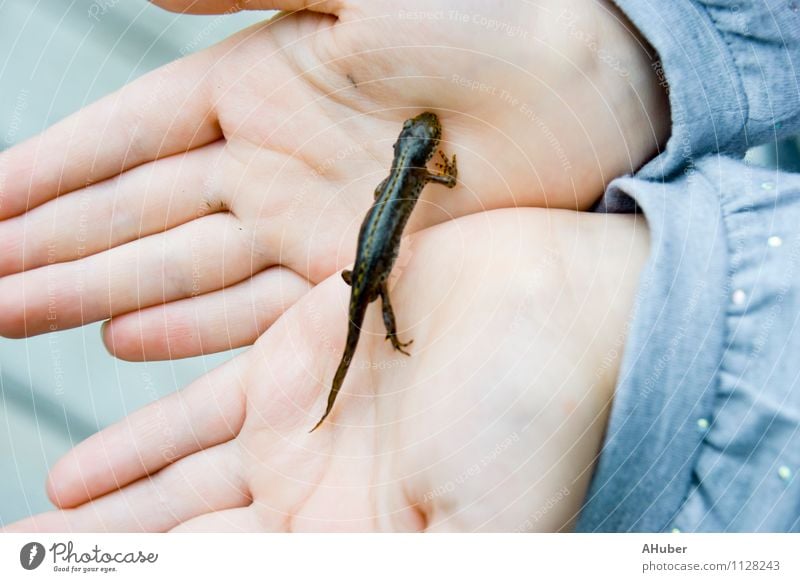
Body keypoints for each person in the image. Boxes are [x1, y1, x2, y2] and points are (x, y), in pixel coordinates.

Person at [1, 0, 799, 531]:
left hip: (366, 262)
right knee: (371, 311)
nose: (425, 148)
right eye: (424, 145)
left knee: (369, 301)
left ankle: (369, 338)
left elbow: (412, 177)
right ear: (415, 152)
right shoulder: (421, 170)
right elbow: (438, 176)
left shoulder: (403, 171)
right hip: (366, 268)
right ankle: (376, 338)